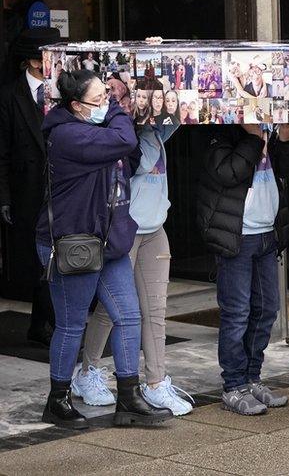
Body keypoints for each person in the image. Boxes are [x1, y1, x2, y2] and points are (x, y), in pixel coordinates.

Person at [35, 69, 172, 428]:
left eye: (108, 97)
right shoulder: (66, 135)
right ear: (77, 106)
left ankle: (128, 397)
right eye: (100, 99)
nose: (107, 104)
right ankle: (58, 398)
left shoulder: (93, 128)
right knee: (70, 325)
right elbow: (124, 141)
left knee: (128, 316)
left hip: (107, 239)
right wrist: (116, 111)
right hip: (73, 241)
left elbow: (129, 157)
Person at [74, 117, 194, 415]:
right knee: (112, 308)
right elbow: (138, 164)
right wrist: (140, 125)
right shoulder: (122, 136)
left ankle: (155, 383)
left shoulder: (155, 130)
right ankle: (87, 373)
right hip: (125, 230)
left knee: (155, 310)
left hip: (155, 228)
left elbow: (182, 116)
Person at [196, 120, 289, 416]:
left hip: (268, 233)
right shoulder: (218, 131)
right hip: (236, 236)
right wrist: (253, 138)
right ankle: (233, 385)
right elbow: (228, 173)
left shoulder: (272, 130)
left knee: (268, 308)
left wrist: (287, 141)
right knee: (237, 312)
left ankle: (252, 378)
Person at [0, 27, 61, 345]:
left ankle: (48, 322)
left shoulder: (64, 90)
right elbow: (3, 151)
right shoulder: (10, 96)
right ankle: (43, 322)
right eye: (44, 57)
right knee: (39, 258)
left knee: (59, 253)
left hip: (64, 186)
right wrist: (5, 196)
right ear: (32, 61)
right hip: (28, 190)